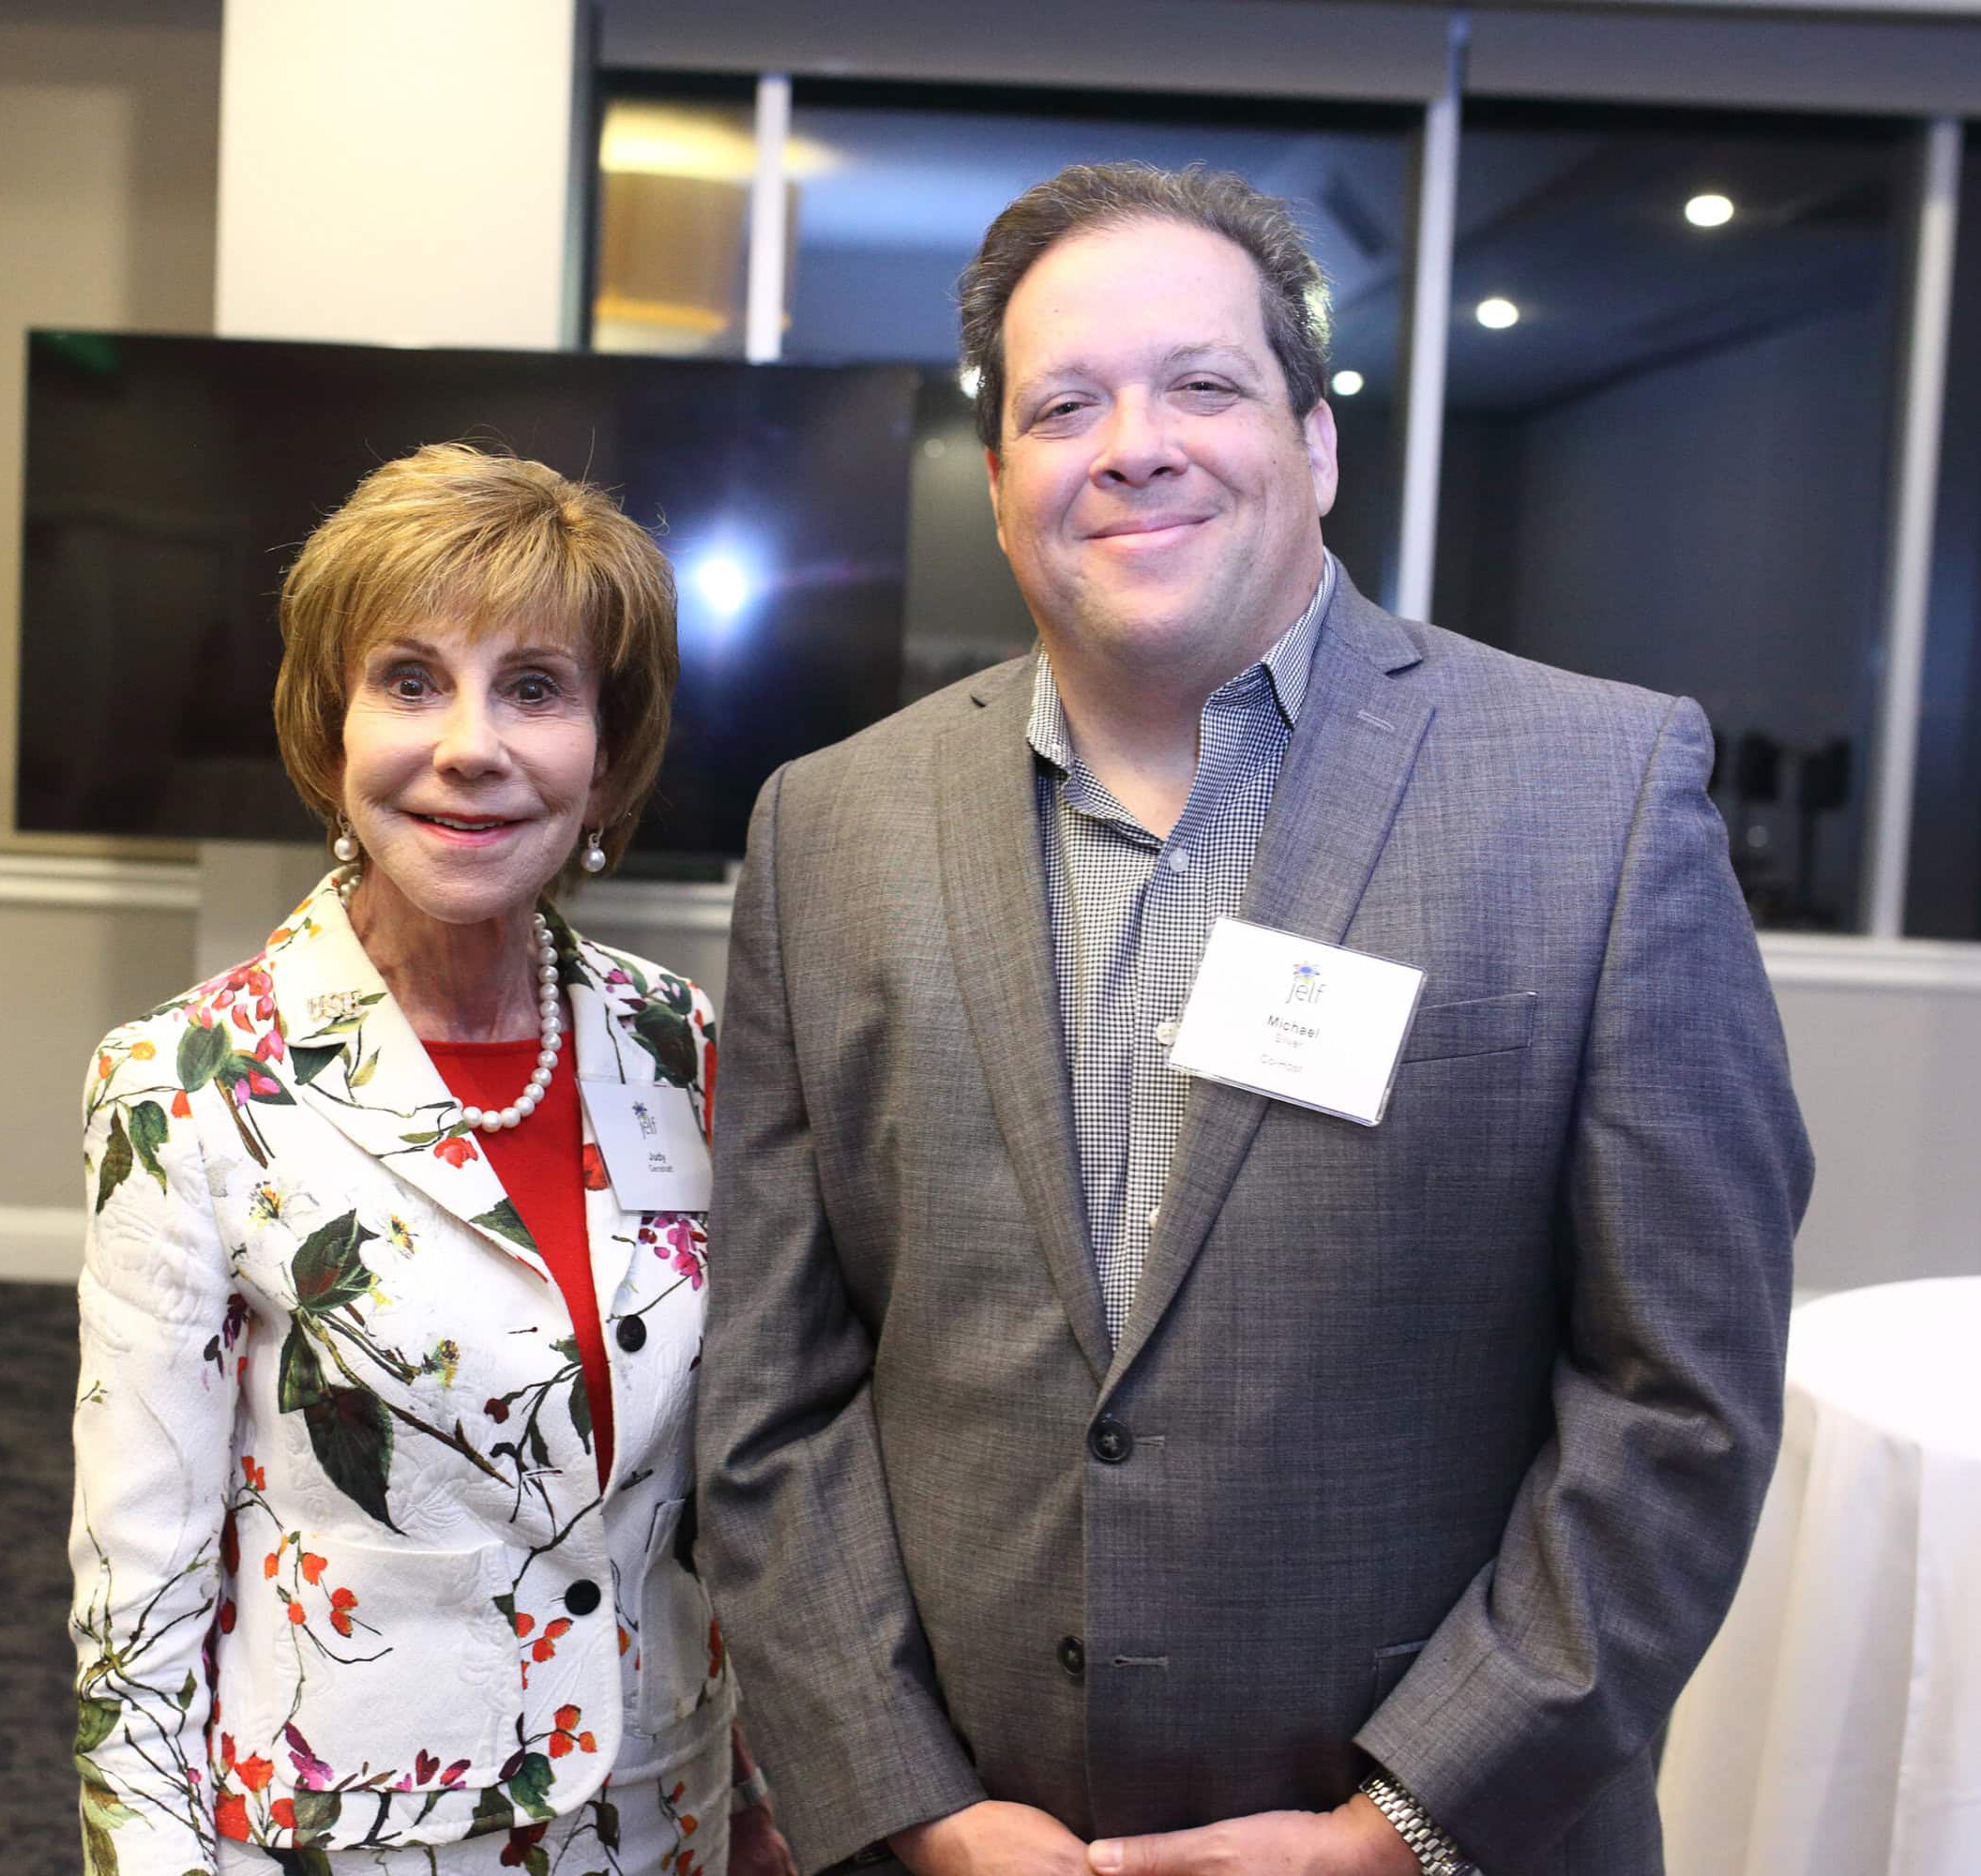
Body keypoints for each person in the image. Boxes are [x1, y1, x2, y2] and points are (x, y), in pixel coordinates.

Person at [697, 162, 1811, 1876]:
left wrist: (1401, 1825)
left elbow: (1681, 1400)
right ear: (1001, 486)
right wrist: (908, 1800)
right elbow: (777, 1388)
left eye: (1202, 384)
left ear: (1318, 443)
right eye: (1065, 404)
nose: (1134, 443)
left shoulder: (1598, 792)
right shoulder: (825, 828)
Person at [70, 445, 795, 1876]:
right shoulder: (183, 1086)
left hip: (668, 1822)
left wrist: (763, 1800)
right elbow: (132, 1600)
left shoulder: (682, 1044)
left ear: (608, 749)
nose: (473, 743)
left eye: (537, 688)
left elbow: (724, 1498)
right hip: (358, 1839)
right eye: (411, 681)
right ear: (330, 727)